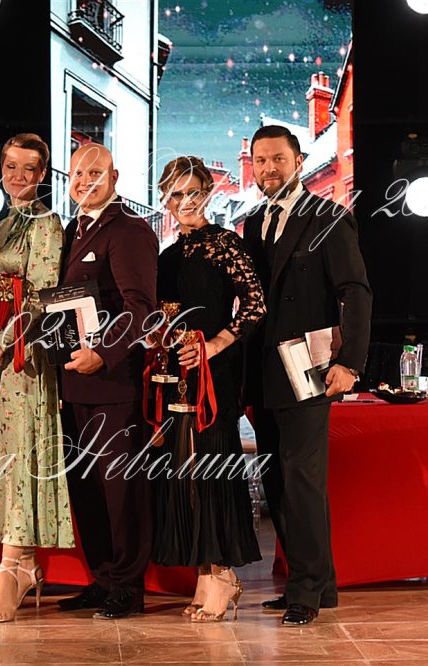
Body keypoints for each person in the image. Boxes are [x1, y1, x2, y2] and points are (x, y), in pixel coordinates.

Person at [241, 125, 372, 626]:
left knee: (301, 481)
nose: (268, 168)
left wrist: (350, 362)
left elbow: (355, 292)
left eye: (278, 158)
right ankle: (318, 583)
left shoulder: (328, 217)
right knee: (276, 480)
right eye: (260, 160)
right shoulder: (254, 222)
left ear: (297, 161)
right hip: (264, 372)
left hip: (311, 369)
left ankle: (306, 590)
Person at [0, 133, 75, 623]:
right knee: (2, 457)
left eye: (29, 169)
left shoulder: (47, 224)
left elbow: (40, 297)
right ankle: (23, 564)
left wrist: (3, 342)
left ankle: (12, 567)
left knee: (23, 452)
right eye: (11, 166)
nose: (18, 176)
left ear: (42, 174)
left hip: (24, 359)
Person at [151, 156, 266, 622]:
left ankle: (223, 573)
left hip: (214, 377)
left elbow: (255, 305)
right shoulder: (166, 256)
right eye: (176, 194)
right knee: (184, 473)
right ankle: (204, 573)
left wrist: (214, 345)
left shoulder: (225, 244)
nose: (185, 202)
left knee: (213, 469)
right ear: (166, 199)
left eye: (194, 193)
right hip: (174, 376)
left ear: (208, 194)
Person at [56, 143, 158, 620]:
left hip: (113, 384)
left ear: (114, 177)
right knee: (88, 490)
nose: (85, 181)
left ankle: (128, 587)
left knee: (120, 490)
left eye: (95, 172)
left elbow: (141, 308)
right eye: (78, 173)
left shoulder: (130, 230)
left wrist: (103, 353)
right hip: (74, 383)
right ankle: (102, 579)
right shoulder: (70, 232)